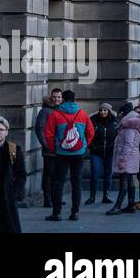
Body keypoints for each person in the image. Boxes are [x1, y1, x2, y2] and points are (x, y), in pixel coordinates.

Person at [43, 88, 93, 222]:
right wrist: (83, 146)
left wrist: (55, 148)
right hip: (79, 154)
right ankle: (75, 212)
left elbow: (48, 134)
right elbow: (90, 132)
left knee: (58, 182)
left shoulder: (56, 114)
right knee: (76, 182)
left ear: (63, 99)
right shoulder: (82, 114)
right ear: (74, 99)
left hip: (62, 153)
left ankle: (56, 213)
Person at [107, 103, 140, 215]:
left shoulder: (129, 126)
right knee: (129, 180)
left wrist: (122, 160)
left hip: (127, 157)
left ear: (123, 114)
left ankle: (117, 206)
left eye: (120, 113)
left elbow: (128, 144)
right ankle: (131, 205)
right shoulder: (133, 123)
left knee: (123, 181)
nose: (118, 115)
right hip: (132, 156)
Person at [0, 116, 26, 233]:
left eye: (1, 130)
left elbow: (21, 174)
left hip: (6, 196)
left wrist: (15, 192)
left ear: (6, 132)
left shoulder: (14, 150)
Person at [34, 88, 62, 209]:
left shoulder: (62, 110)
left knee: (58, 175)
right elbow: (39, 130)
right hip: (50, 150)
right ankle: (47, 199)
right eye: (54, 97)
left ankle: (56, 198)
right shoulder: (45, 111)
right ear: (51, 97)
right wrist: (47, 145)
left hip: (62, 149)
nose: (56, 99)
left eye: (59, 97)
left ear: (62, 98)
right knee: (48, 175)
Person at [86, 103, 118, 206]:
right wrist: (91, 146)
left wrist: (114, 147)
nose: (103, 112)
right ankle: (92, 197)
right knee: (95, 174)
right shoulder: (93, 121)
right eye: (101, 110)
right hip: (96, 152)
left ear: (109, 111)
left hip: (109, 152)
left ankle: (106, 196)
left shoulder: (114, 122)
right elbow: (88, 134)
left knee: (108, 175)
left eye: (105, 110)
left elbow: (117, 136)